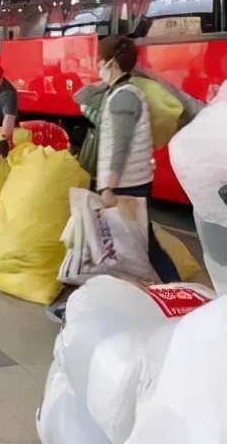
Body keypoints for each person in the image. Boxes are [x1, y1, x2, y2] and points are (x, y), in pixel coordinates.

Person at [79, 36, 180, 283]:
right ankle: (170, 288)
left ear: (112, 62)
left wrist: (109, 187)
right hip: (131, 182)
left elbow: (120, 146)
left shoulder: (124, 96)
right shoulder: (119, 92)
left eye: (101, 59)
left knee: (144, 246)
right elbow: (81, 97)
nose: (97, 64)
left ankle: (178, 289)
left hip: (128, 185)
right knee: (136, 244)